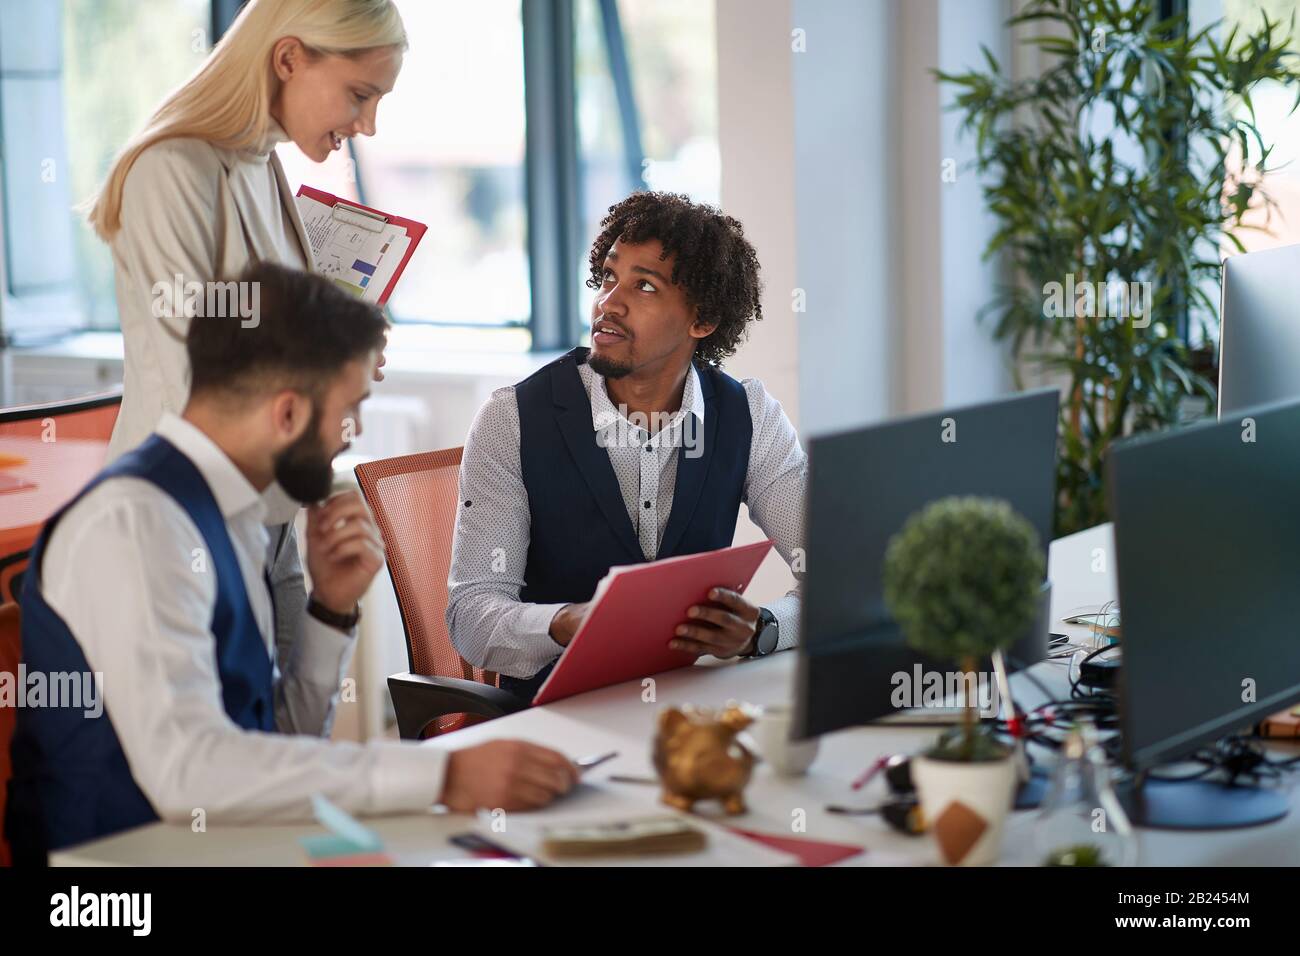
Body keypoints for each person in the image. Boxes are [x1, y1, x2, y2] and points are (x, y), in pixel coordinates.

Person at [6, 264, 577, 863]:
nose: (349, 435)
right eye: (348, 409)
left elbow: (276, 743)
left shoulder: (232, 509)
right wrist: (442, 777)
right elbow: (190, 773)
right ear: (286, 413)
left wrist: (328, 612)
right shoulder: (137, 523)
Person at [85, 0, 408, 699]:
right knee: (225, 765)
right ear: (289, 57)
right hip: (188, 522)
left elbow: (262, 336)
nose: (367, 125)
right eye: (359, 95)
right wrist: (328, 363)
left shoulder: (260, 167)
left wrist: (341, 355)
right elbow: (202, 374)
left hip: (270, 516)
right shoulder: (174, 169)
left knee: (288, 738)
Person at [447, 192, 807, 701]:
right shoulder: (513, 419)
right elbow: (472, 616)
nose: (608, 303)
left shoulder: (749, 417)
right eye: (608, 277)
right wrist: (566, 622)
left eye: (643, 286)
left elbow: (838, 576)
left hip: (689, 708)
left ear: (701, 321)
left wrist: (762, 630)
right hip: (556, 720)